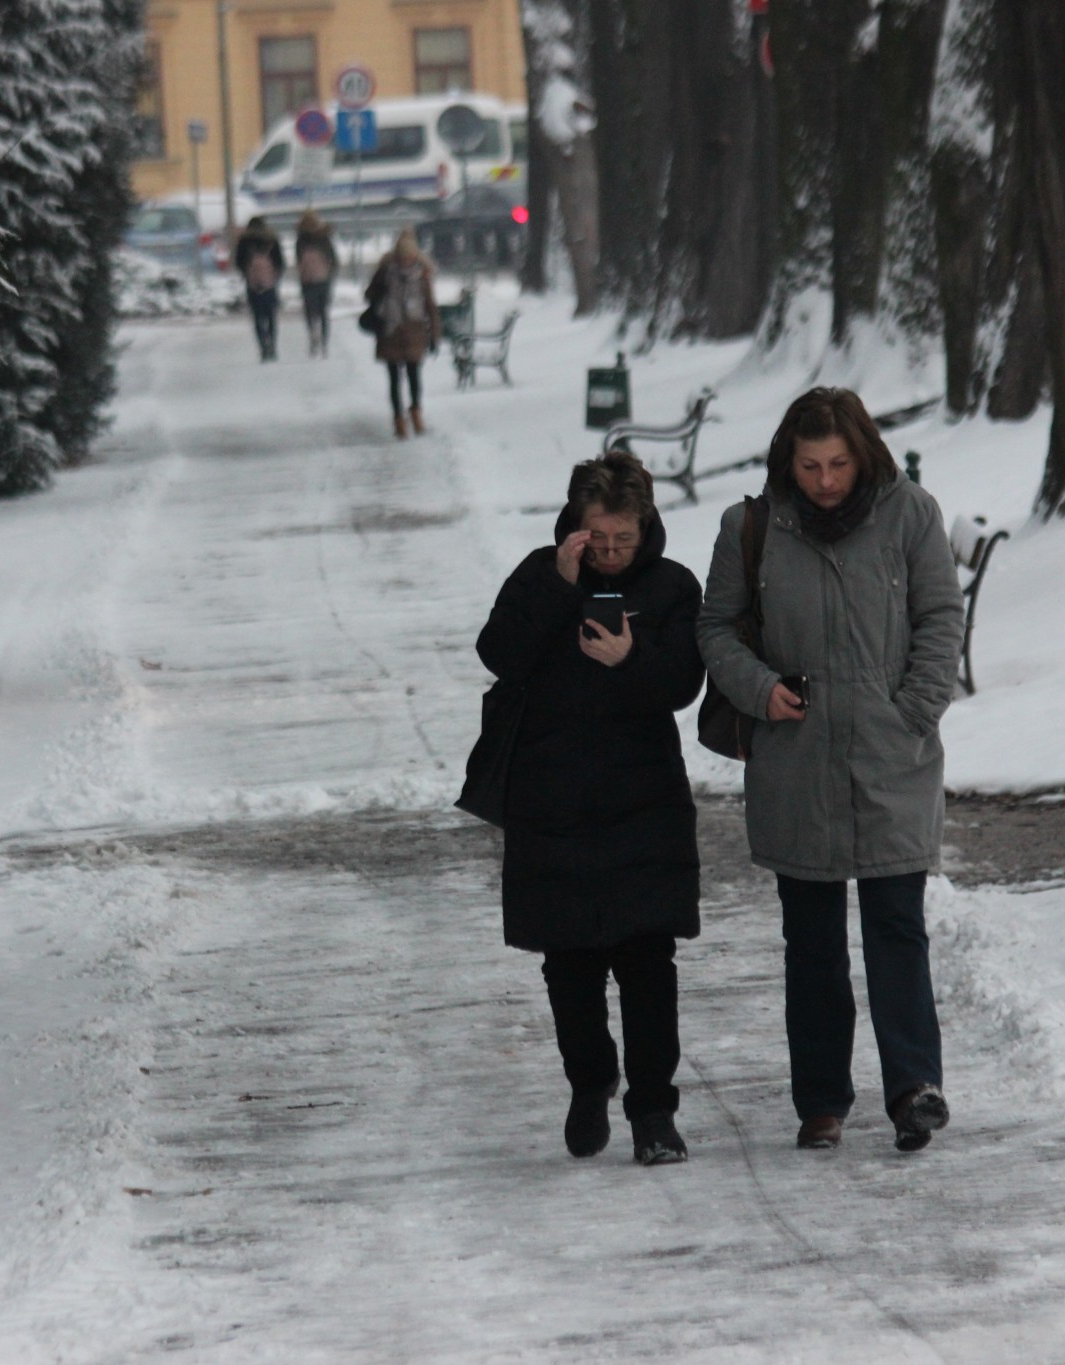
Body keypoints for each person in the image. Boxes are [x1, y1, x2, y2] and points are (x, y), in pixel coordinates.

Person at [695, 387, 965, 1154]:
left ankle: (915, 1086)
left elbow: (941, 615)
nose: (824, 480)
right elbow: (715, 627)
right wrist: (759, 690)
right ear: (789, 458)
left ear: (863, 453)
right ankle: (821, 1099)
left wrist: (913, 707)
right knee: (811, 939)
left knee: (896, 925)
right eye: (809, 465)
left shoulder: (910, 513)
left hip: (891, 755)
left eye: (838, 463)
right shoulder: (752, 526)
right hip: (797, 757)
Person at [473, 449, 706, 1166]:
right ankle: (589, 1079)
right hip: (552, 799)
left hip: (643, 801)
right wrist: (558, 583)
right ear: (574, 526)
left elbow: (682, 683)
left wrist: (631, 659)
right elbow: (499, 651)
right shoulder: (540, 574)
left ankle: (655, 1111)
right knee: (568, 964)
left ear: (646, 527)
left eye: (622, 541)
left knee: (647, 962)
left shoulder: (670, 588)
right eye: (595, 538)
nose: (608, 553)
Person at [364, 228, 439, 439]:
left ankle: (415, 413)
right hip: (391, 332)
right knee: (394, 379)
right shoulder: (386, 272)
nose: (406, 262)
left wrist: (434, 335)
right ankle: (398, 419)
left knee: (414, 377)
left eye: (409, 258)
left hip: (414, 333)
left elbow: (431, 307)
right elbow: (369, 294)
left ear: (415, 257)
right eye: (403, 258)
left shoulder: (423, 276)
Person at [233, 216, 285, 361]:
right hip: (269, 284)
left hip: (253, 284)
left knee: (257, 317)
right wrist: (274, 276)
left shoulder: (244, 241)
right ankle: (273, 345)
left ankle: (263, 346)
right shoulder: (271, 240)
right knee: (271, 316)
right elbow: (279, 262)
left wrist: (247, 273)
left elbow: (239, 262)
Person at [294, 211, 338, 358]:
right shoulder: (323, 237)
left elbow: (298, 259)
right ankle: (325, 341)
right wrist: (330, 273)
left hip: (307, 280)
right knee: (324, 311)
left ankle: (313, 335)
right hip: (323, 280)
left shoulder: (301, 240)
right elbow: (332, 258)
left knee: (310, 311)